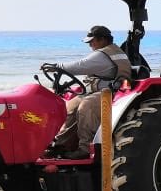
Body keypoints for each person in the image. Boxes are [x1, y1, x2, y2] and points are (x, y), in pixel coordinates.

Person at [45, 25, 131, 159]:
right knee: (71, 105)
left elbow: (81, 66)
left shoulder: (104, 55)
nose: (90, 44)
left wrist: (57, 67)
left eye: (92, 41)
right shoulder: (108, 52)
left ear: (102, 39)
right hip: (100, 91)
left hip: (113, 93)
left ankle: (85, 148)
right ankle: (61, 145)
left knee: (87, 106)